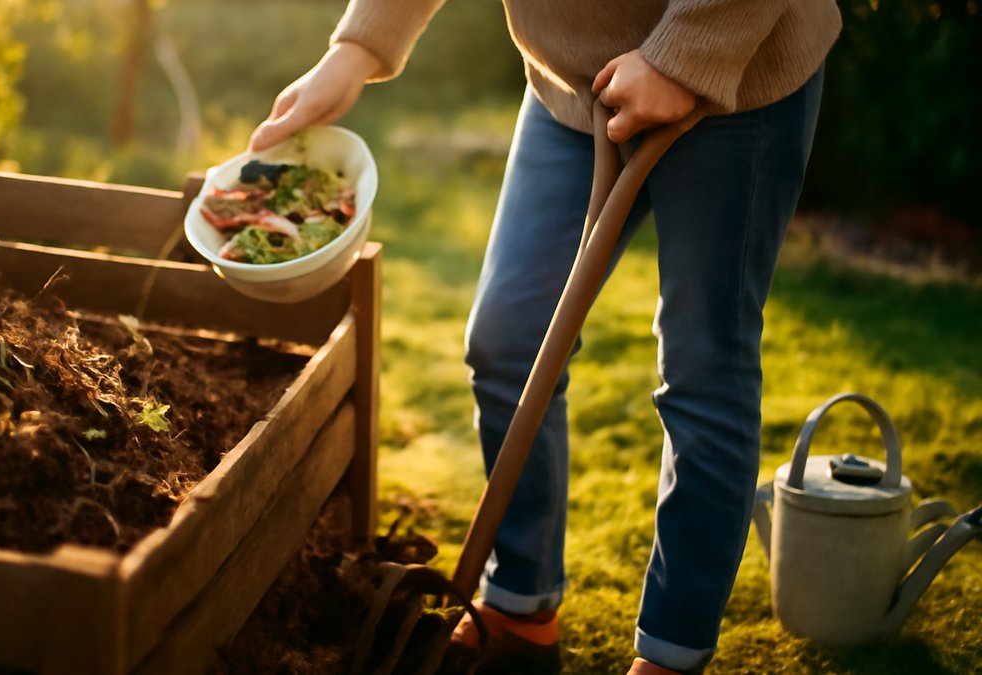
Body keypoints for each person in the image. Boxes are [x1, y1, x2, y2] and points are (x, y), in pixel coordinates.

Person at [250, 2, 841, 673]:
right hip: (573, 92)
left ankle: (671, 653)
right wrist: (354, 51)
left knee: (704, 367)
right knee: (507, 340)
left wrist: (683, 55)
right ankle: (519, 607)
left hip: (737, 82)